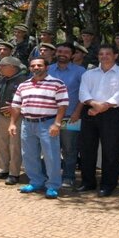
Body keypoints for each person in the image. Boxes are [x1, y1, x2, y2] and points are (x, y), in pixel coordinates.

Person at [78, 44, 119, 197]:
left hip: (111, 113)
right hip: (89, 111)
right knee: (87, 149)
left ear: (115, 56)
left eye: (108, 54)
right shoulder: (89, 74)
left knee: (110, 150)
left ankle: (108, 184)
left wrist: (104, 106)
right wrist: (95, 104)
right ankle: (88, 182)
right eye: (101, 54)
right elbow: (83, 92)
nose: (104, 56)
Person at [9, 58, 68, 199]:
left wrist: (57, 124)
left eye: (39, 65)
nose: (36, 67)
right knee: (28, 155)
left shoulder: (57, 83)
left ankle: (53, 185)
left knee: (51, 156)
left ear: (46, 67)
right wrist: (12, 123)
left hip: (47, 123)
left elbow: (63, 105)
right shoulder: (23, 85)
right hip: (27, 124)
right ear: (30, 68)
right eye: (33, 65)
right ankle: (36, 181)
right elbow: (16, 106)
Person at [48, 42, 86, 188]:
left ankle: (68, 177)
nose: (62, 54)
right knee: (50, 148)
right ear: (55, 53)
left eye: (66, 52)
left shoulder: (80, 71)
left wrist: (77, 112)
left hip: (71, 116)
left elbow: (84, 93)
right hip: (49, 116)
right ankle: (52, 176)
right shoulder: (48, 69)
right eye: (59, 51)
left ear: (72, 55)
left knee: (69, 148)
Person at [0, 56, 27, 185]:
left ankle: (14, 173)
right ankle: (2, 169)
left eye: (2, 66)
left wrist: (17, 108)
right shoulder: (2, 79)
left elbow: (27, 99)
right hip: (1, 115)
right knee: (0, 144)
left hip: (17, 117)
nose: (0, 68)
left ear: (12, 67)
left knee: (15, 146)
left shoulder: (24, 81)